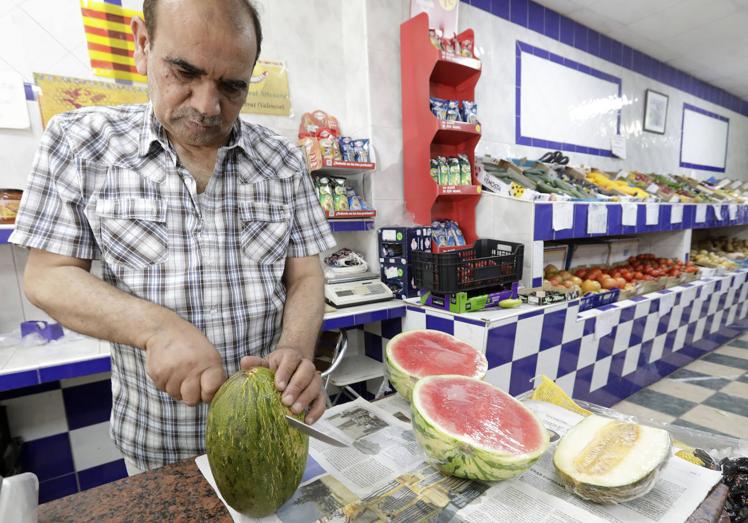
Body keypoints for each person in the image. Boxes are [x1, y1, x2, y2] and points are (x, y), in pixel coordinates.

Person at [9, 0, 336, 474]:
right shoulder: (81, 143)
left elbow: (306, 276)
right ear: (144, 46)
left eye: (232, 86)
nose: (207, 106)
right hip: (159, 452)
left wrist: (294, 350)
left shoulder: (282, 161)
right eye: (184, 72)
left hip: (272, 438)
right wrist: (155, 327)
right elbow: (47, 277)